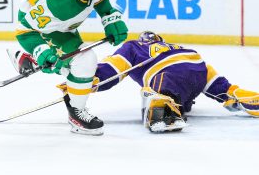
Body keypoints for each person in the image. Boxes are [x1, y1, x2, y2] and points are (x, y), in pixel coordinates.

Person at [15, 0, 128, 135]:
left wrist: (111, 20)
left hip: (63, 29)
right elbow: (25, 31)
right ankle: (76, 112)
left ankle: (28, 60)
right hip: (42, 29)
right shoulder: (57, 0)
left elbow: (101, 1)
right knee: (84, 61)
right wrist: (40, 50)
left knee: (78, 65)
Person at [58, 31, 259, 133]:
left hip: (169, 73)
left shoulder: (133, 47)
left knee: (158, 90)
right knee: (224, 90)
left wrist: (81, 84)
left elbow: (111, 72)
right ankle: (246, 99)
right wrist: (228, 90)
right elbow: (207, 75)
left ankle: (163, 109)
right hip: (198, 64)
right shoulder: (173, 45)